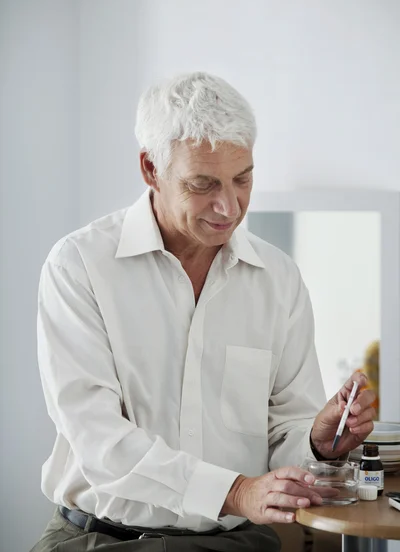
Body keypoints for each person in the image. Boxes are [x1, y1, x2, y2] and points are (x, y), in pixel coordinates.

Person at [31, 72, 376, 552]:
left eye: (243, 179)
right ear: (151, 169)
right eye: (202, 183)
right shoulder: (80, 266)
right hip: (97, 539)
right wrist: (236, 492)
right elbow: (98, 440)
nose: (228, 206)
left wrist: (317, 442)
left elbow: (285, 432)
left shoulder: (279, 280)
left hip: (234, 542)